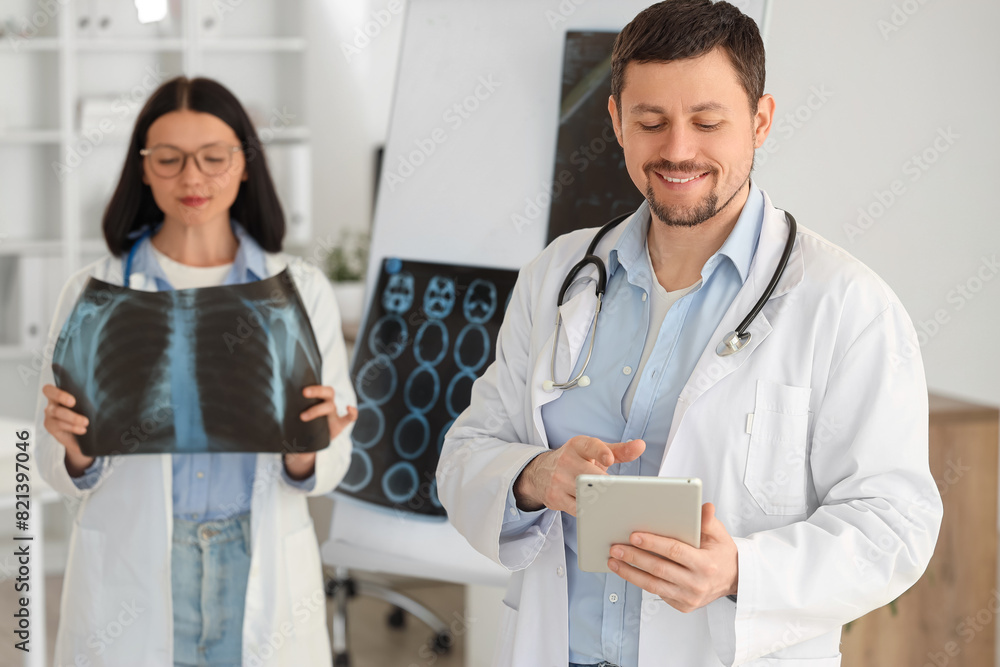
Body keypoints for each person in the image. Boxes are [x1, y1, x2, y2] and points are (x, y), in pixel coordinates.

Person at [437, 2, 943, 666]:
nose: (678, 150)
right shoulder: (558, 276)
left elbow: (894, 524)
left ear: (759, 121)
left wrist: (742, 572)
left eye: (708, 122)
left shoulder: (845, 304)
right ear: (617, 122)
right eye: (651, 122)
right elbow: (467, 450)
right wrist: (535, 474)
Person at [36, 76, 357, 667]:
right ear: (143, 168)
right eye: (169, 159)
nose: (191, 178)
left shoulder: (301, 291)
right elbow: (55, 469)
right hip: (140, 561)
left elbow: (332, 464)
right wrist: (75, 450)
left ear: (243, 166)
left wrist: (309, 446)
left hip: (254, 554)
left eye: (213, 158)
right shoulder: (92, 292)